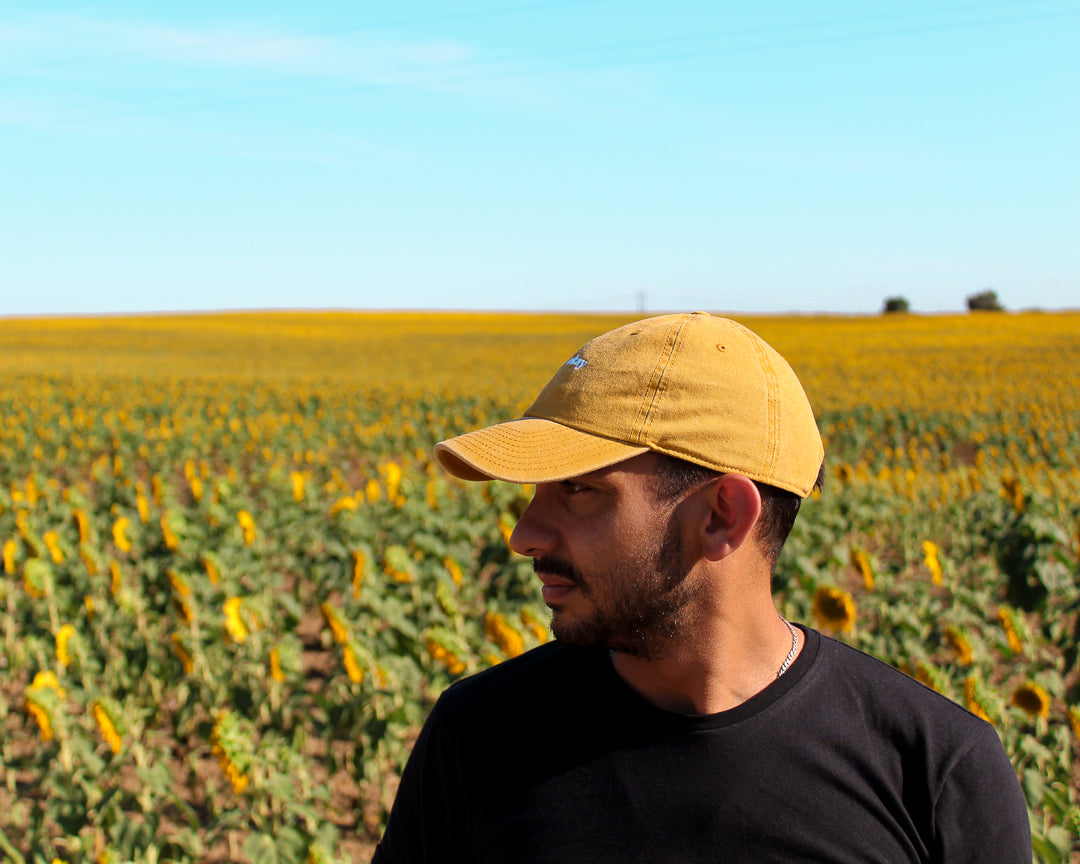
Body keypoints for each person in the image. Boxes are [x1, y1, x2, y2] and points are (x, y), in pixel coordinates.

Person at [372, 311, 1031, 863]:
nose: (525, 535)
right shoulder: (478, 736)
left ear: (722, 517)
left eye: (579, 491)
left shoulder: (936, 772)